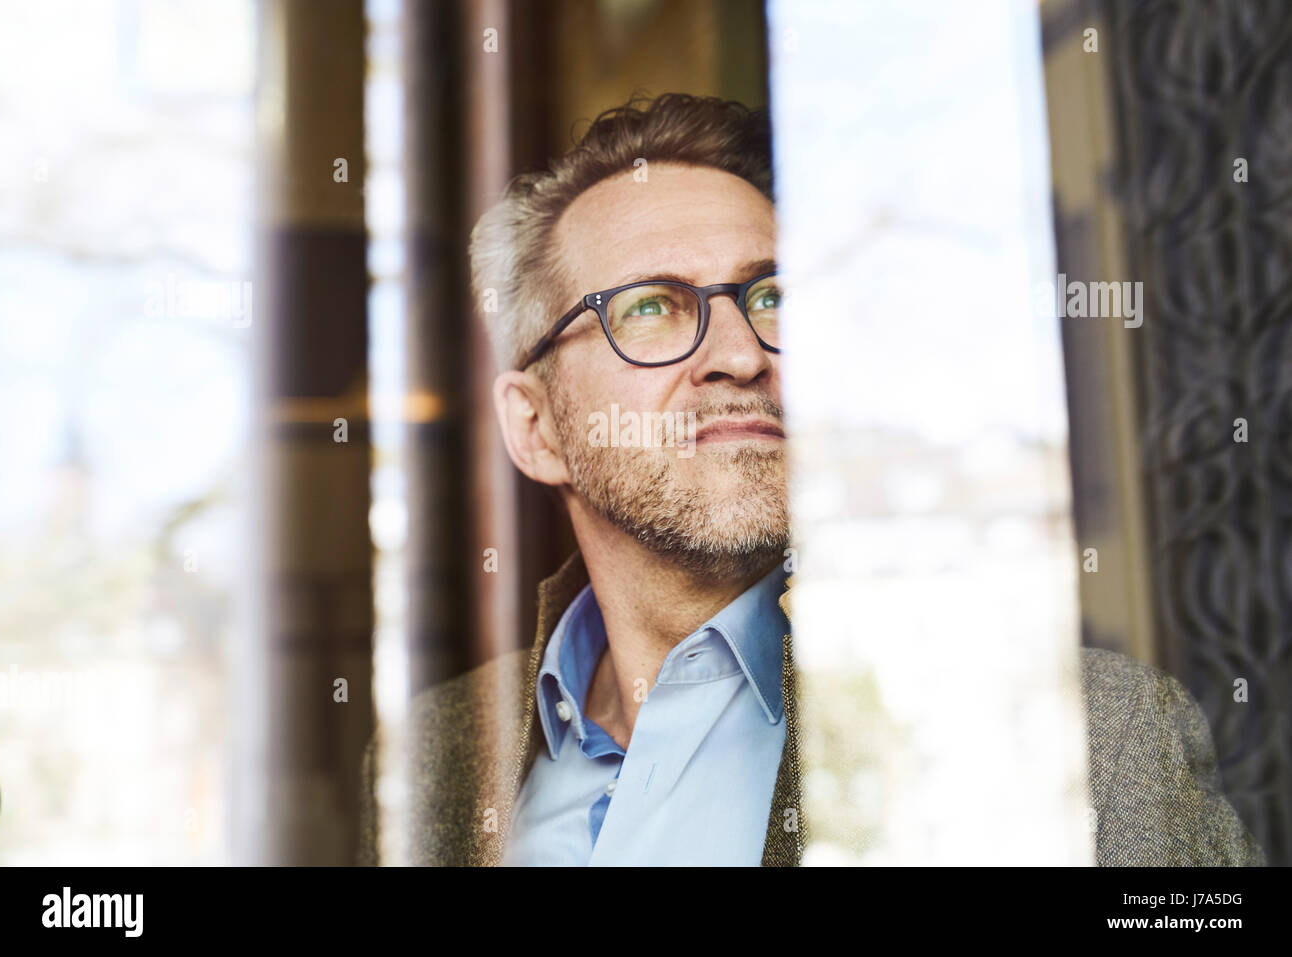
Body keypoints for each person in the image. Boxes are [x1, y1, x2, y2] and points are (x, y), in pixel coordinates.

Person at [358, 93, 1263, 866]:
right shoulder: (432, 755)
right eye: (649, 306)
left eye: (771, 297)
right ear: (536, 426)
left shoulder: (1087, 741)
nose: (742, 354)